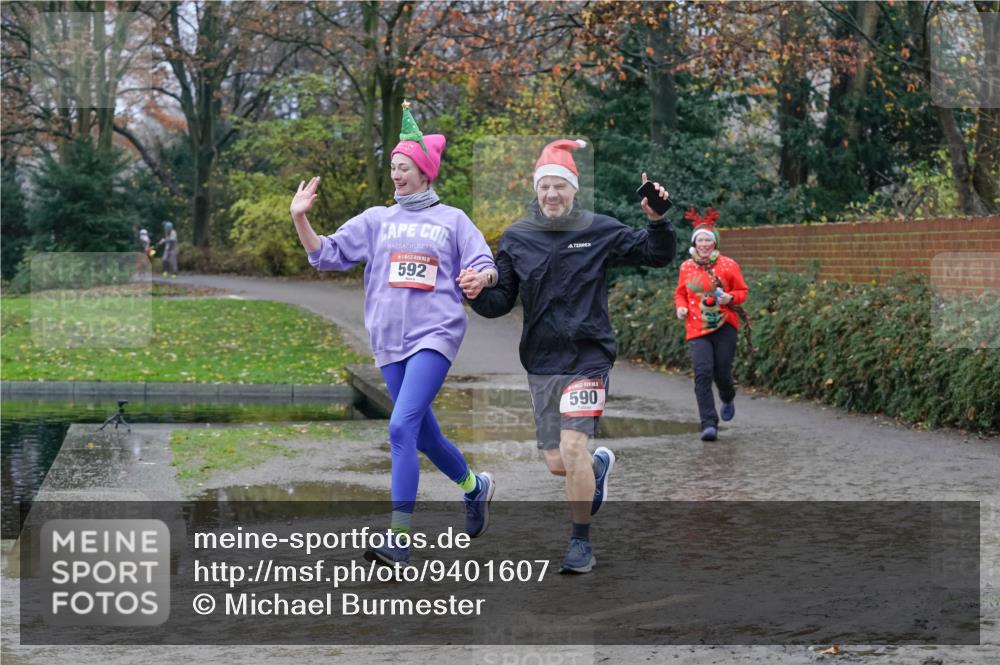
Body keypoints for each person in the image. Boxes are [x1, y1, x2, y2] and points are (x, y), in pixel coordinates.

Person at [289, 102, 497, 566]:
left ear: (424, 172)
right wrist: (300, 218)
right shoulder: (376, 221)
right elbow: (326, 255)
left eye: (403, 167)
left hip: (436, 335)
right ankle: (474, 487)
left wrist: (481, 278)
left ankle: (399, 539)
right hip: (388, 342)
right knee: (423, 435)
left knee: (401, 425)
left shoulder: (454, 221)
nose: (396, 175)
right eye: (393, 168)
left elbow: (484, 263)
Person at [460, 139, 676, 574]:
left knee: (572, 447)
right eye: (545, 187)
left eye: (560, 186)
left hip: (588, 356)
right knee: (559, 462)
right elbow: (501, 299)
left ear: (574, 190)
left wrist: (657, 220)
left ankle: (580, 543)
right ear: (535, 191)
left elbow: (655, 254)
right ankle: (598, 468)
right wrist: (476, 293)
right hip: (542, 361)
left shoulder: (598, 229)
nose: (552, 194)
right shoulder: (518, 238)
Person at [673, 207, 750, 442]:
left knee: (722, 372)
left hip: (725, 324)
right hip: (696, 328)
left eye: (708, 240)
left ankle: (727, 396)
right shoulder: (686, 267)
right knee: (702, 373)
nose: (704, 244)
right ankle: (709, 423)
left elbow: (742, 291)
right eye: (700, 240)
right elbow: (680, 293)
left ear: (714, 243)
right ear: (694, 244)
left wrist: (731, 298)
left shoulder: (728, 265)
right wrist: (681, 307)